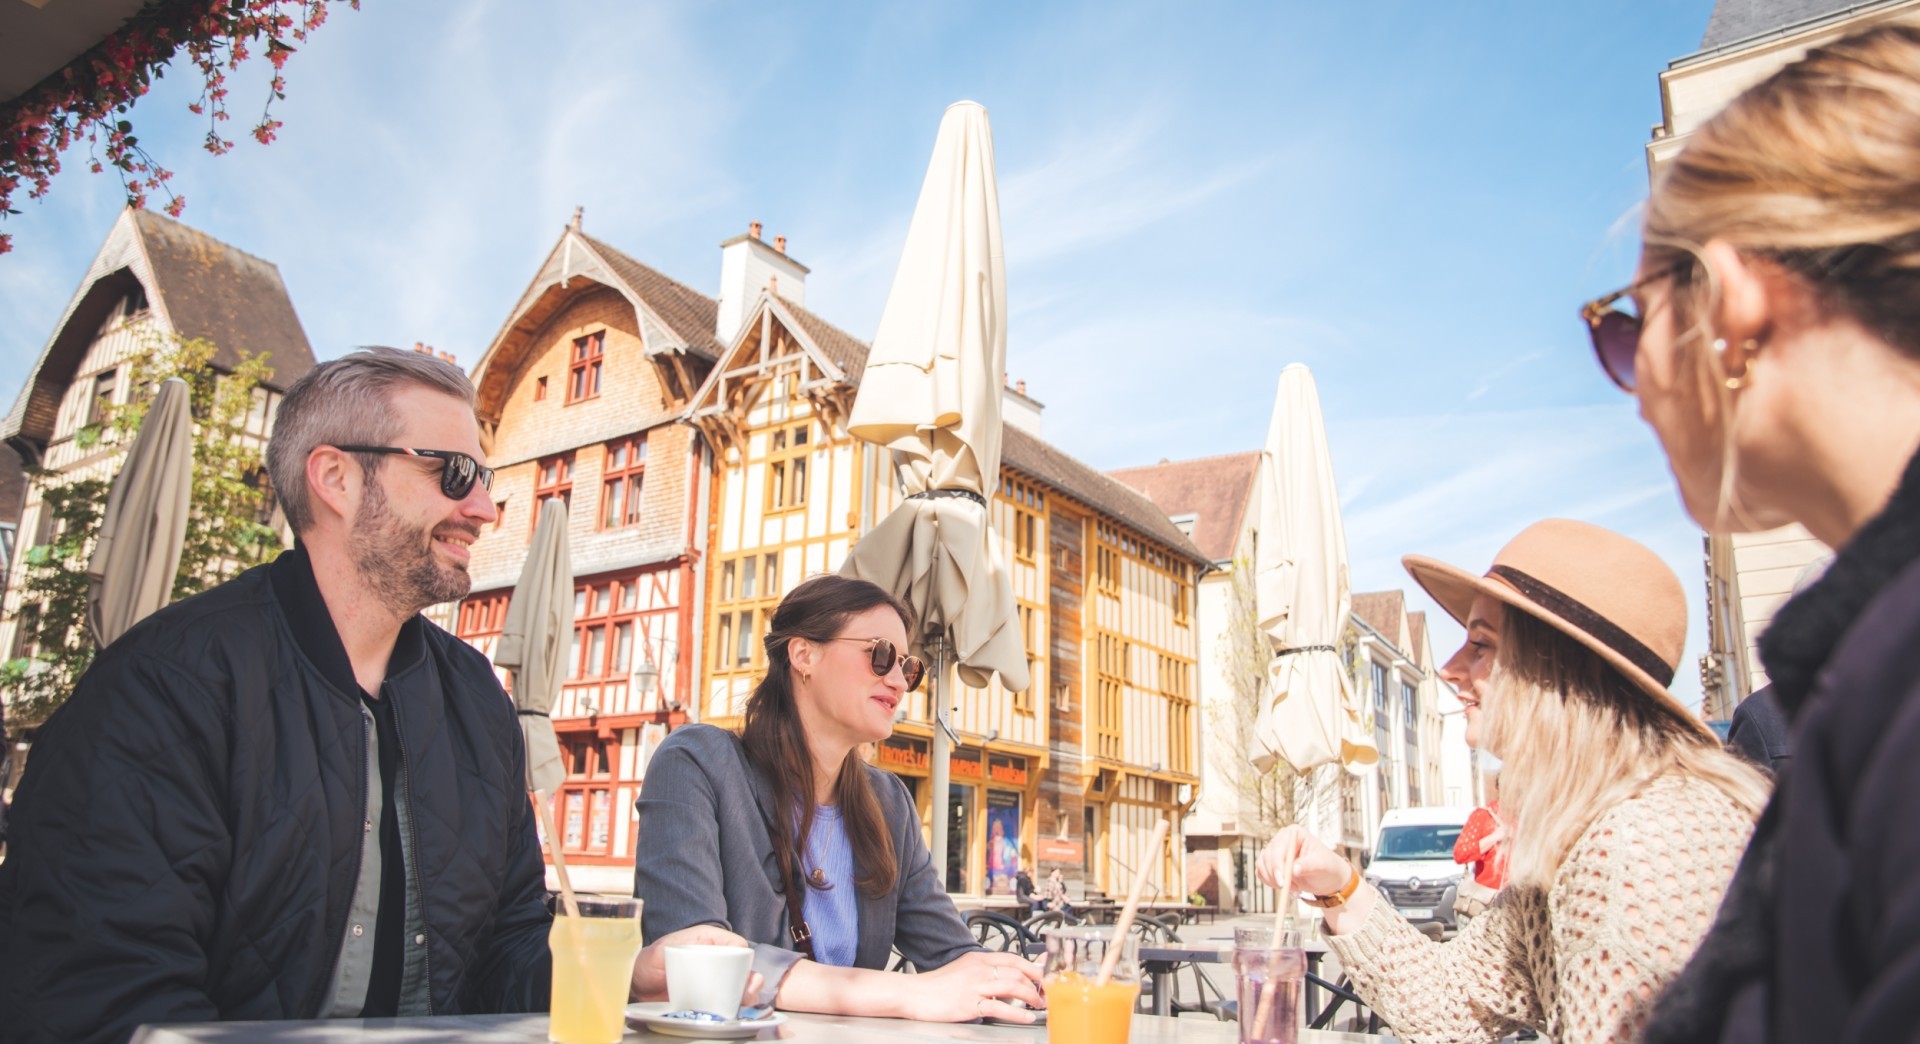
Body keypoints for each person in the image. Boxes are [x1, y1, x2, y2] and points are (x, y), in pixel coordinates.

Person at [0, 348, 721, 1043]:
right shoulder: (165, 686)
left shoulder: (474, 699)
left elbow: (506, 952)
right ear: (336, 479)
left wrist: (628, 973)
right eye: (455, 473)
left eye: (486, 479)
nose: (486, 510)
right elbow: (101, 999)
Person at [1586, 21, 1920, 1040]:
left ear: (1729, 306)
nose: (1635, 391)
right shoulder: (1867, 666)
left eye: (1627, 330)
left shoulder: (1893, 679)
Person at [1256, 520, 1768, 1043]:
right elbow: (1453, 1002)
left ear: (1558, 675)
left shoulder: (1643, 845)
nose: (1451, 669)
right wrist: (1338, 885)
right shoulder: (1581, 831)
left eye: (1481, 644)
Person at [634, 574, 1044, 1023]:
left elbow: (952, 958)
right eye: (881, 656)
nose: (900, 682)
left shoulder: (889, 803)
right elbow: (691, 962)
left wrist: (1029, 983)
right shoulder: (696, 763)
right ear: (803, 654)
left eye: (908, 668)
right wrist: (906, 993)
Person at [1450, 771, 1507, 924]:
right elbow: (1460, 853)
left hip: (1522, 902)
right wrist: (1494, 837)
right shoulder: (1483, 816)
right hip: (1488, 902)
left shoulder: (1529, 817)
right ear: (1498, 786)